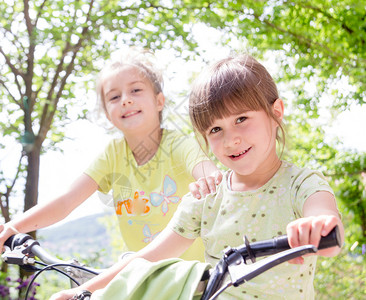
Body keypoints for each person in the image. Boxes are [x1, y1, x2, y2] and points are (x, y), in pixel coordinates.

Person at [50, 54, 344, 300]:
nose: (230, 140)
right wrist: (83, 291)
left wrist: (316, 227)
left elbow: (330, 231)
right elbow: (146, 259)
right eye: (215, 130)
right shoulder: (206, 198)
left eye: (241, 119)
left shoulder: (301, 184)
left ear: (275, 111)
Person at [0, 48, 220, 262]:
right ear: (107, 113)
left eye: (135, 90)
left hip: (192, 280)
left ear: (159, 101)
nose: (125, 100)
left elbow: (207, 172)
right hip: (142, 277)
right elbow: (66, 201)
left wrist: (209, 180)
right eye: (114, 97)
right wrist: (11, 227)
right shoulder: (112, 155)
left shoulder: (179, 145)